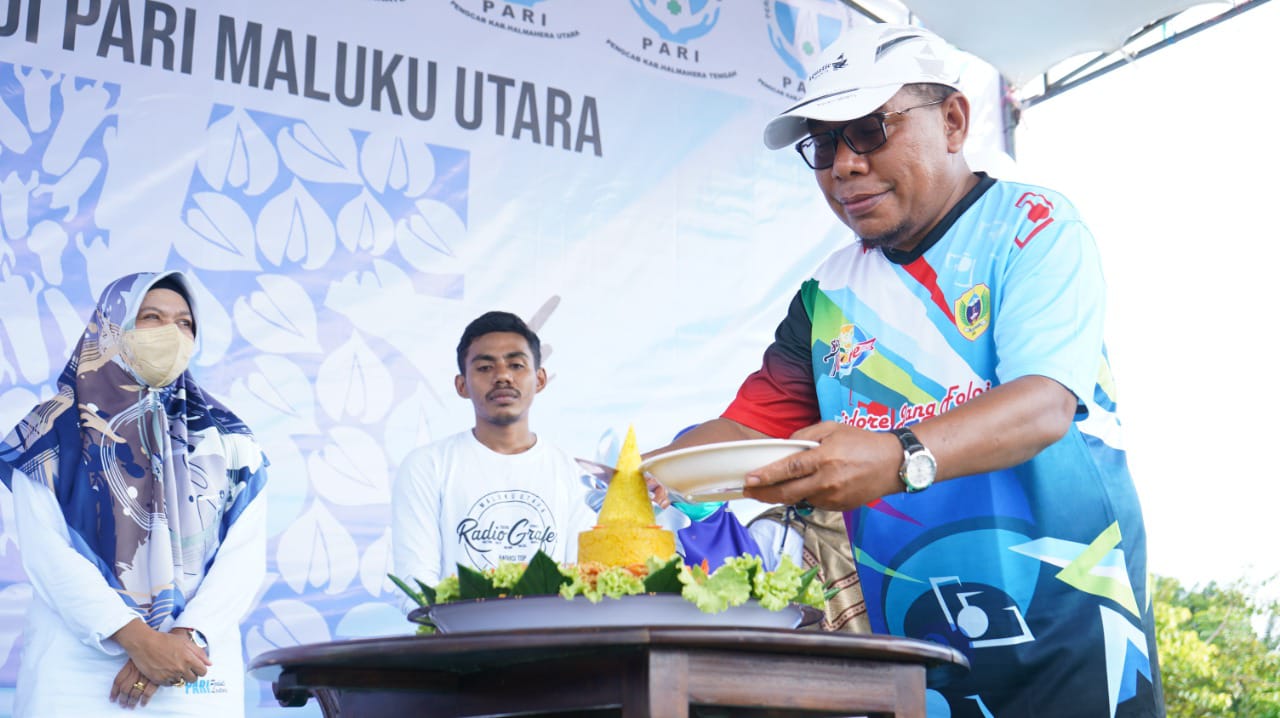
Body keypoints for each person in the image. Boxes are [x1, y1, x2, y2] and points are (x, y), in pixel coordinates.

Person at [654, 24, 1162, 716]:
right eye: (824, 144)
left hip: (1067, 637)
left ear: (953, 121)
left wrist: (899, 458)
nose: (843, 165)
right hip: (911, 657)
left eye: (868, 130)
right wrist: (653, 474)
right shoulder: (826, 294)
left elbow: (1044, 404)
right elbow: (745, 432)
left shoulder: (1034, 226)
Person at [0, 270, 269, 716]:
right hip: (77, 676)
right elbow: (50, 556)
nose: (172, 332)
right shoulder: (49, 432)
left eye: (185, 322)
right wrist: (139, 641)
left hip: (191, 671)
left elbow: (243, 560)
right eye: (152, 317)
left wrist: (181, 640)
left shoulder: (229, 440)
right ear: (113, 325)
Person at [391, 311, 595, 592]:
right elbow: (416, 585)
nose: (502, 376)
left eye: (516, 365)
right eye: (485, 367)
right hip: (460, 622)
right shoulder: (427, 466)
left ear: (540, 379)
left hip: (550, 621)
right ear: (462, 385)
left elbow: (583, 581)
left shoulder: (573, 473)